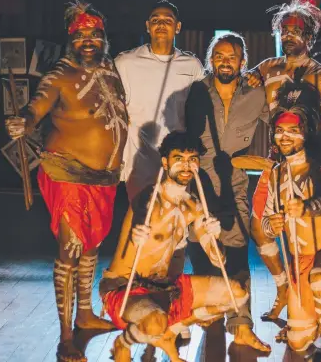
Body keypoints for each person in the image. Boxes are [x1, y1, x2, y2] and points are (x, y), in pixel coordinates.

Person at [5, 0, 129, 362]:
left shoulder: (110, 72)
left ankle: (86, 314)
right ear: (69, 41)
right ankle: (65, 335)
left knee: (91, 247)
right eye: (79, 36)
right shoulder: (60, 74)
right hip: (68, 175)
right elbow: (36, 106)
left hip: (104, 180)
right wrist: (23, 121)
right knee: (71, 251)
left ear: (104, 38)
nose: (87, 41)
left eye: (94, 34)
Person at [244, 0, 321, 321]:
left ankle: (306, 303)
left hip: (310, 166)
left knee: (303, 240)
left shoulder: (318, 74)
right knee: (260, 228)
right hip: (276, 164)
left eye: (297, 31)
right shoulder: (266, 68)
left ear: (309, 37)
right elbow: (243, 91)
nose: (290, 37)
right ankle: (283, 288)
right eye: (285, 31)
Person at [100, 131, 248, 362]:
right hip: (125, 288)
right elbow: (140, 220)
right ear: (165, 162)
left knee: (237, 294)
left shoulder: (193, 205)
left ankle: (170, 331)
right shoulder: (149, 198)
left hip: (165, 287)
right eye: (179, 158)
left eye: (193, 159)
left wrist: (215, 237)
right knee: (155, 321)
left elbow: (218, 260)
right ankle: (124, 343)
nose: (186, 166)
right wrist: (138, 233)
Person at [184, 32, 270, 352]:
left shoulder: (256, 95)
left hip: (234, 181)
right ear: (211, 60)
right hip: (199, 182)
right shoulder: (196, 92)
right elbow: (180, 130)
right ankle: (209, 312)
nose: (224, 61)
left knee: (235, 250)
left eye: (230, 57)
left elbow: (281, 122)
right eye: (218, 56)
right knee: (201, 249)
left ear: (242, 62)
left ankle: (241, 323)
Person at [260, 73, 321, 353]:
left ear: (307, 131)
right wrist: (272, 224)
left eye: (293, 129)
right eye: (280, 129)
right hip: (300, 262)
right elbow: (266, 223)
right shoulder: (276, 175)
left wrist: (305, 207)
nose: (285, 136)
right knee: (299, 342)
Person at [115, 0, 206, 202]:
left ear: (178, 27)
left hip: (177, 158)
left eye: (168, 20)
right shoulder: (125, 63)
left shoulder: (192, 66)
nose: (161, 24)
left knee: (176, 219)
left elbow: (202, 105)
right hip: (139, 158)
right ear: (148, 26)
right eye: (155, 20)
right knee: (143, 219)